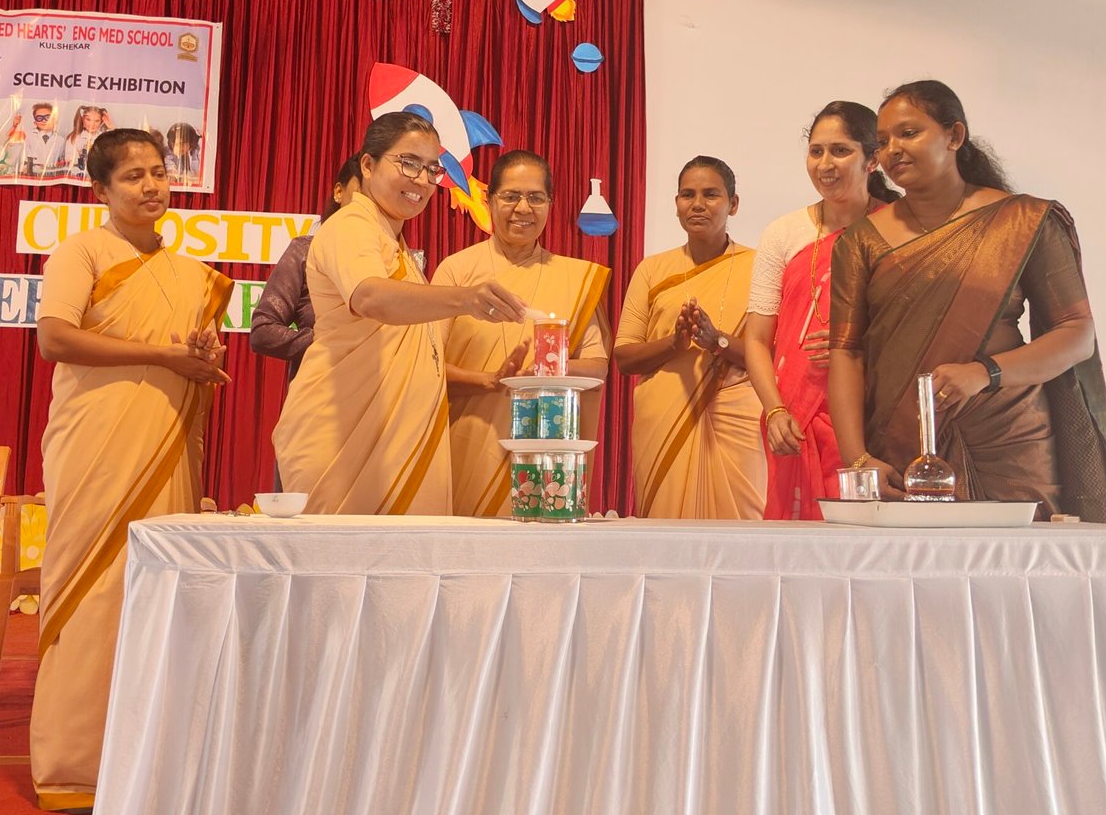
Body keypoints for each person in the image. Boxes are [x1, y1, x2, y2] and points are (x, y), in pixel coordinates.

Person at [29, 128, 233, 811]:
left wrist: (199, 359)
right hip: (94, 444)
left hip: (164, 447)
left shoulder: (191, 274)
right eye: (133, 176)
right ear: (101, 190)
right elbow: (55, 338)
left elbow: (191, 359)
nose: (151, 186)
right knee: (93, 591)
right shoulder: (82, 251)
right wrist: (162, 355)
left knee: (160, 596)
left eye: (159, 172)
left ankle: (154, 763)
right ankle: (75, 766)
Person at [827, 79, 1106, 520]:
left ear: (954, 135)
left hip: (1010, 440)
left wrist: (985, 373)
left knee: (1019, 560)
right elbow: (847, 353)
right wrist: (857, 458)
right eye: (883, 141)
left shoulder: (1023, 220)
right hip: (902, 445)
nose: (893, 150)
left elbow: (1076, 335)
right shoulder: (860, 241)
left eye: (909, 133)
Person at [271, 112, 526, 515]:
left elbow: (411, 356)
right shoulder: (351, 226)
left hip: (392, 446)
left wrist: (486, 380)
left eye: (432, 169)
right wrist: (466, 299)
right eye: (408, 163)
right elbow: (370, 297)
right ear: (368, 165)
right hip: (345, 443)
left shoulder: (393, 241)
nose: (422, 180)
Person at [431, 150, 612, 517]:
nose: (523, 208)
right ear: (488, 199)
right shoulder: (456, 271)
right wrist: (490, 381)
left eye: (535, 197)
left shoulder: (575, 278)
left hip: (546, 456)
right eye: (511, 196)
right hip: (467, 444)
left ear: (550, 203)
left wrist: (542, 371)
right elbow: (425, 367)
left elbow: (598, 366)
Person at [744, 102, 899, 520]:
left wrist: (853, 341)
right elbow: (756, 339)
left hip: (873, 413)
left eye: (840, 151)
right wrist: (775, 410)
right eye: (816, 151)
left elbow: (916, 329)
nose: (825, 164)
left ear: (872, 159)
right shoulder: (783, 232)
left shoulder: (898, 229)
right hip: (793, 416)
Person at [614, 156, 765, 519]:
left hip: (738, 420)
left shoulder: (760, 267)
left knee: (742, 532)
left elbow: (774, 358)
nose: (698, 204)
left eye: (711, 194)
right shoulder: (652, 269)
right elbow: (624, 357)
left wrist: (718, 342)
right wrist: (674, 344)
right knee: (665, 534)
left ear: (733, 204)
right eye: (688, 195)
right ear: (677, 204)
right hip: (664, 421)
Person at [249, 154, 364, 381]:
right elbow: (263, 331)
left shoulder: (394, 260)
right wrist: (329, 343)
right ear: (339, 192)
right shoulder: (306, 252)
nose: (369, 209)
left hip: (383, 397)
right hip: (320, 392)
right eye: (362, 196)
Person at [19, 102, 67, 178]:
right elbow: (21, 159)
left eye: (48, 117)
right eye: (39, 118)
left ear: (54, 120)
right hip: (31, 176)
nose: (44, 121)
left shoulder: (60, 140)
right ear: (35, 122)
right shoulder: (27, 136)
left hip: (52, 177)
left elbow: (62, 162)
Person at [64, 105, 111, 181]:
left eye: (97, 121)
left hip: (99, 179)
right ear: (83, 119)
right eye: (88, 120)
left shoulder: (104, 137)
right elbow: (70, 161)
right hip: (78, 179)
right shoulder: (74, 138)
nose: (92, 124)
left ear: (102, 122)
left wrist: (111, 128)